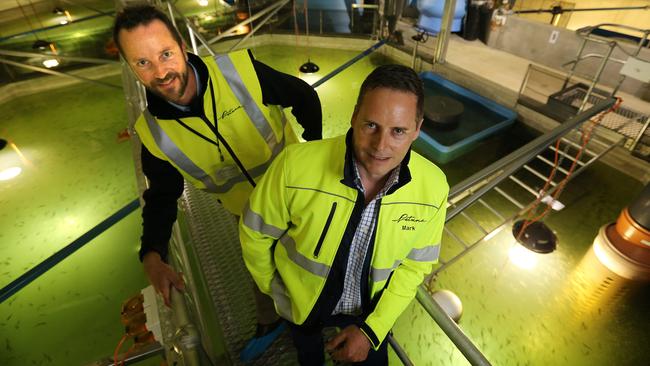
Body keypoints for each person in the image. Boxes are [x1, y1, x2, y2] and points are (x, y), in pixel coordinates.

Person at [112, 5, 322, 362]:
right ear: (130, 66)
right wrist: (152, 254)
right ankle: (271, 323)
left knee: (318, 261)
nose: (161, 72)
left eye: (165, 54)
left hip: (299, 196)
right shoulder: (154, 132)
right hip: (247, 215)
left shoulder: (238, 73)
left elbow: (303, 97)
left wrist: (315, 155)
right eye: (143, 62)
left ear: (181, 45)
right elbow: (162, 196)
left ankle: (324, 318)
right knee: (262, 270)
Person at [240, 64, 448, 365]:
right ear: (353, 116)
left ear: (417, 130)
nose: (381, 146)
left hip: (370, 314)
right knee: (309, 357)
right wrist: (277, 293)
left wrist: (371, 331)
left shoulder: (433, 187)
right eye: (371, 125)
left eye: (398, 131)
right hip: (302, 305)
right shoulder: (294, 167)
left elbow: (414, 268)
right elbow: (254, 235)